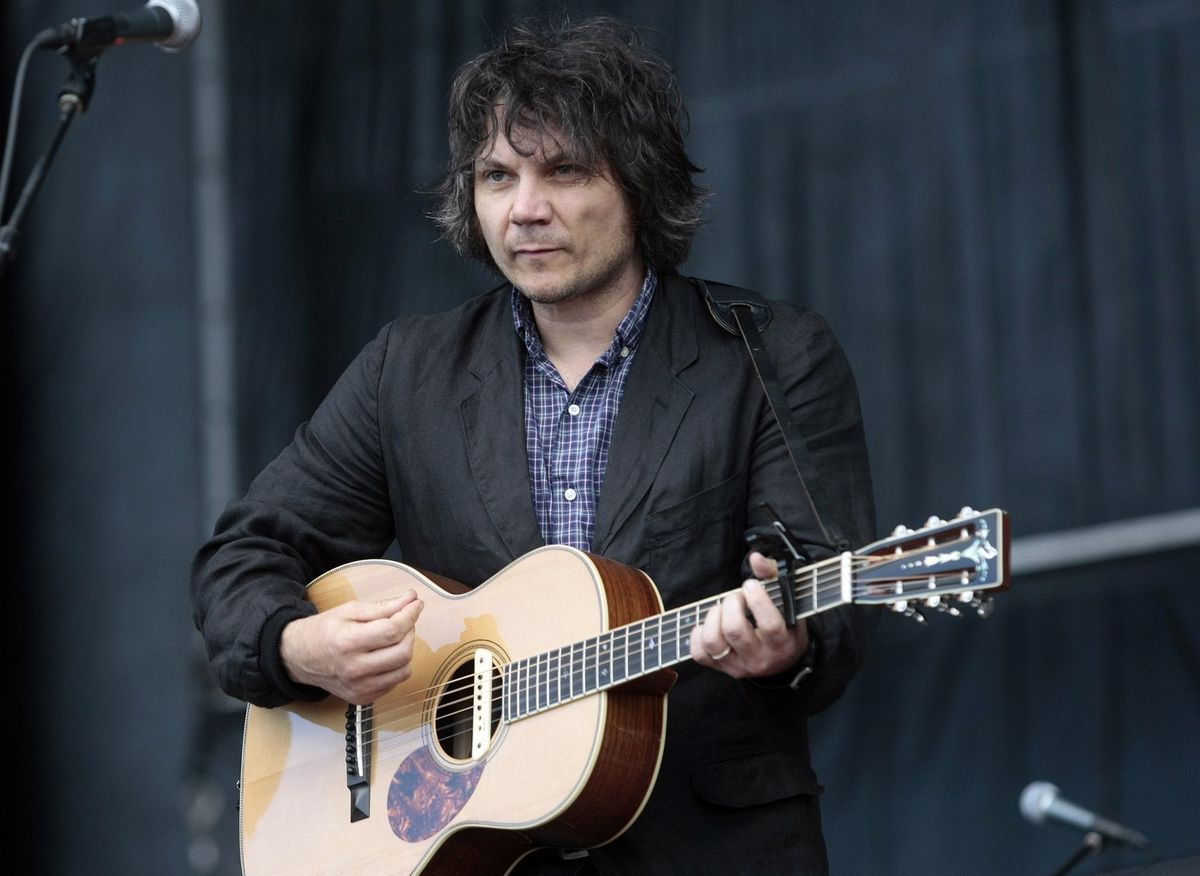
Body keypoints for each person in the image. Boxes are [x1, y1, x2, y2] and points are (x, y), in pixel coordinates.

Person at [192, 15, 876, 875]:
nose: (524, 209)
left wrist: (789, 644)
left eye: (564, 170)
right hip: (474, 852)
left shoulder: (767, 356)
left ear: (640, 182)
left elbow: (829, 599)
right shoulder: (409, 371)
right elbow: (243, 556)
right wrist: (298, 647)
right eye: (497, 176)